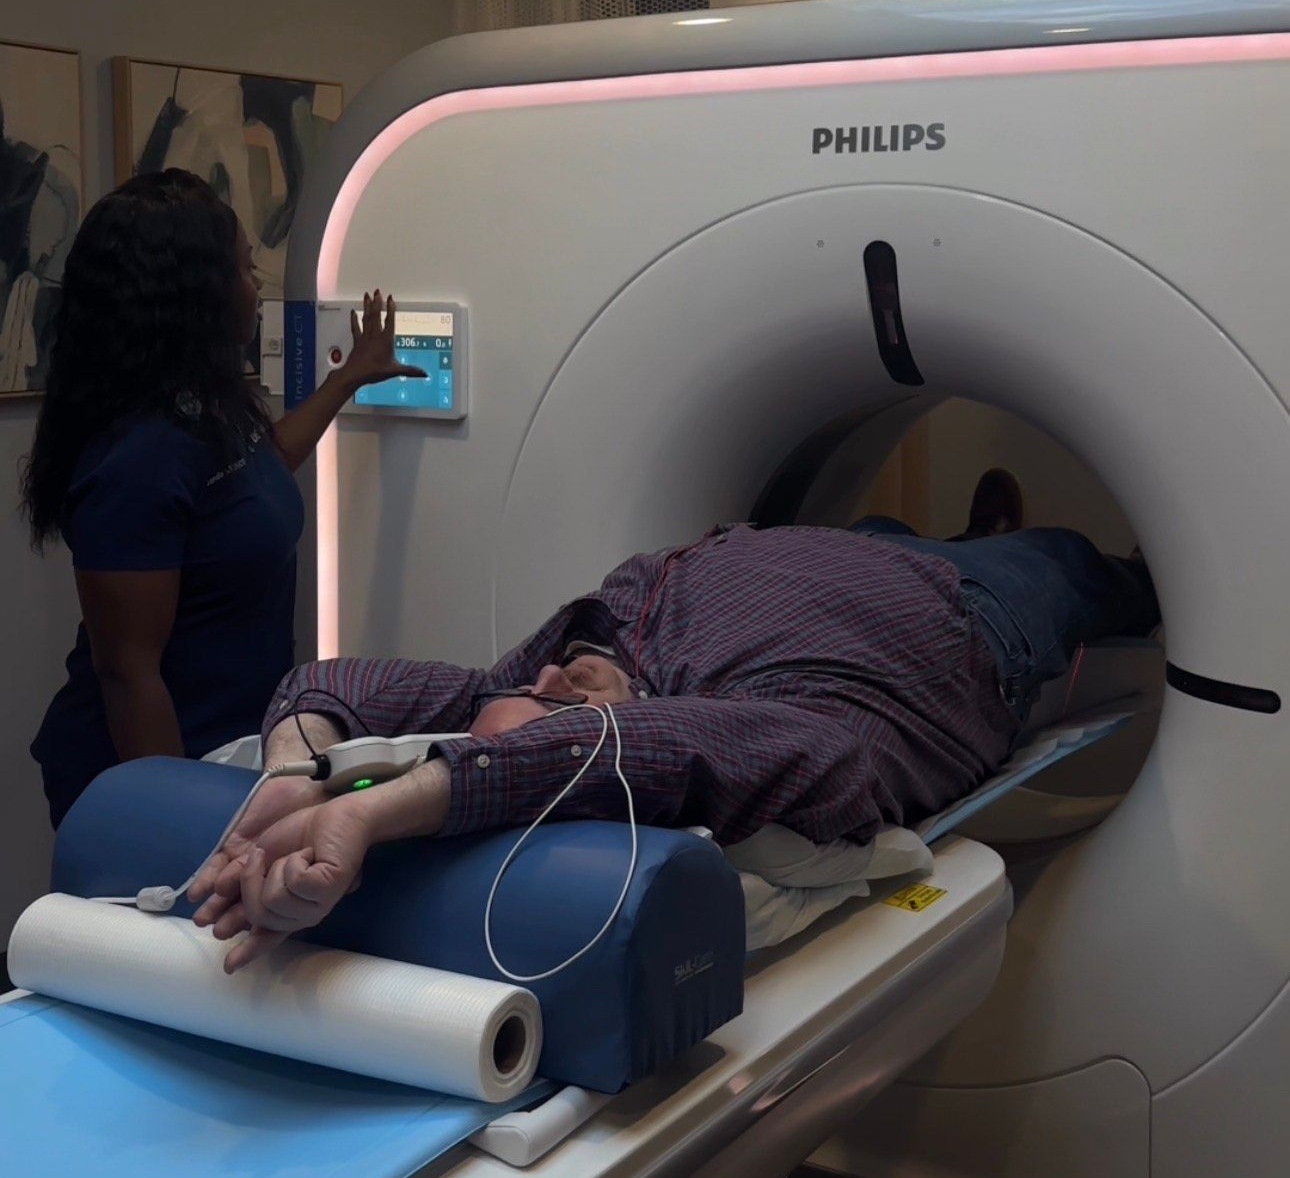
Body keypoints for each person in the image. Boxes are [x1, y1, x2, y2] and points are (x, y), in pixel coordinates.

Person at [188, 470, 1159, 973]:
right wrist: (379, 815)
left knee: (879, 528)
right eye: (555, 705)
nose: (555, 674)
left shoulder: (542, 674)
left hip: (797, 550)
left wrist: (293, 773)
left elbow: (341, 680)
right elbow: (622, 753)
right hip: (968, 605)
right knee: (1081, 567)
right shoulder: (779, 748)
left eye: (542, 685)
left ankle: (945, 527)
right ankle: (1075, 559)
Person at [22, 168, 425, 827]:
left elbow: (260, 471)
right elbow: (128, 674)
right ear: (197, 296)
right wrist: (179, 823)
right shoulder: (138, 457)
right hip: (147, 775)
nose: (255, 283)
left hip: (227, 754)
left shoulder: (201, 406)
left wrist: (349, 376)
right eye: (242, 268)